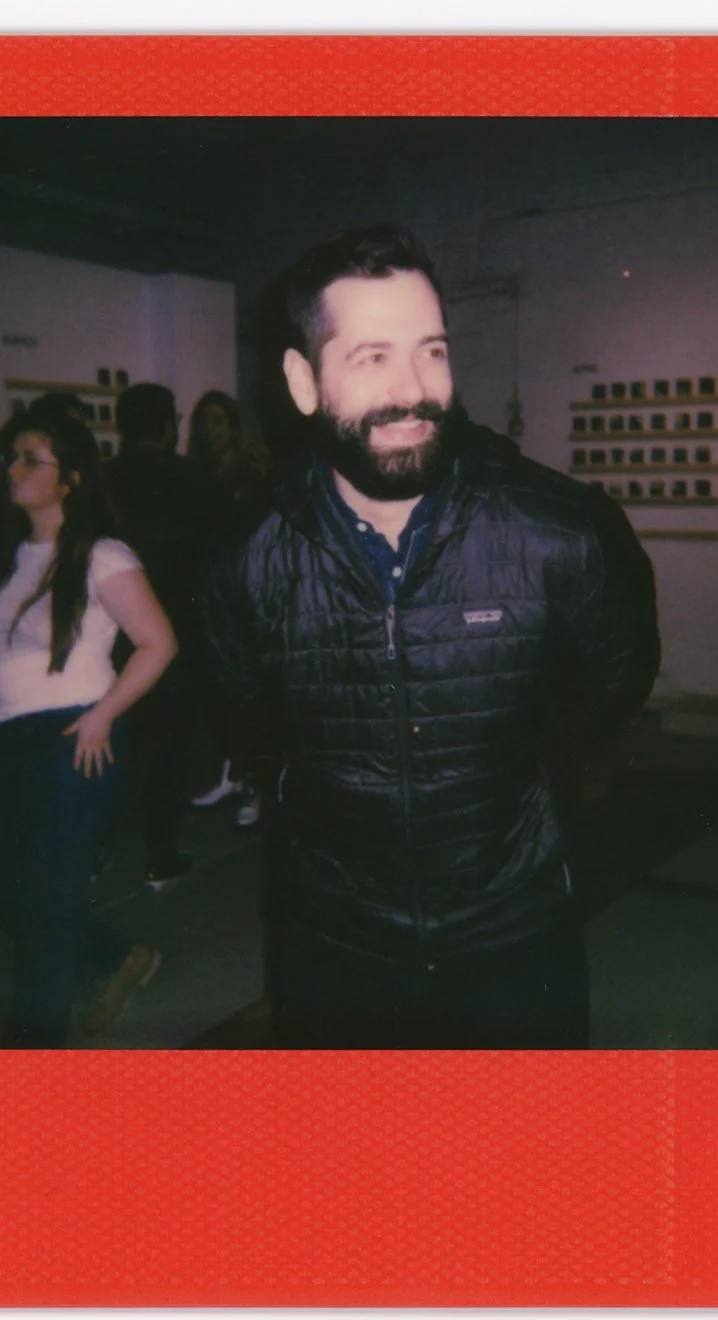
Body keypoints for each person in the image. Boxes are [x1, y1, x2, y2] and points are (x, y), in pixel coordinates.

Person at [200, 224, 661, 1050]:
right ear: (304, 383)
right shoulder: (246, 561)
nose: (414, 389)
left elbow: (613, 684)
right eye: (372, 357)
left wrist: (518, 789)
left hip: (514, 935)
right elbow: (251, 724)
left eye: (433, 351)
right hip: (334, 944)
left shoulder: (561, 531)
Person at [0, 407, 176, 1047]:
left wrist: (102, 715)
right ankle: (118, 958)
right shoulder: (11, 553)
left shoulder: (101, 555)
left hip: (70, 743)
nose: (13, 469)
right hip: (3, 744)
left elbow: (158, 644)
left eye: (32, 459)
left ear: (71, 479)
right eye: (12, 457)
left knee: (43, 900)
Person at [105, 383, 220, 886]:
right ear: (167, 424)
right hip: (178, 630)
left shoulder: (102, 480)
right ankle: (161, 853)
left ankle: (96, 851)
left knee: (107, 736)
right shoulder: (193, 477)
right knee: (168, 747)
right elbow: (218, 557)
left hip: (111, 631)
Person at [184, 391, 270, 828]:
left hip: (244, 592)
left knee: (249, 690)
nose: (210, 430)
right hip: (207, 593)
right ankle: (233, 771)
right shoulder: (194, 474)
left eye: (219, 421)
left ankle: (254, 782)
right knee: (219, 691)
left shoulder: (252, 472)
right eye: (205, 422)